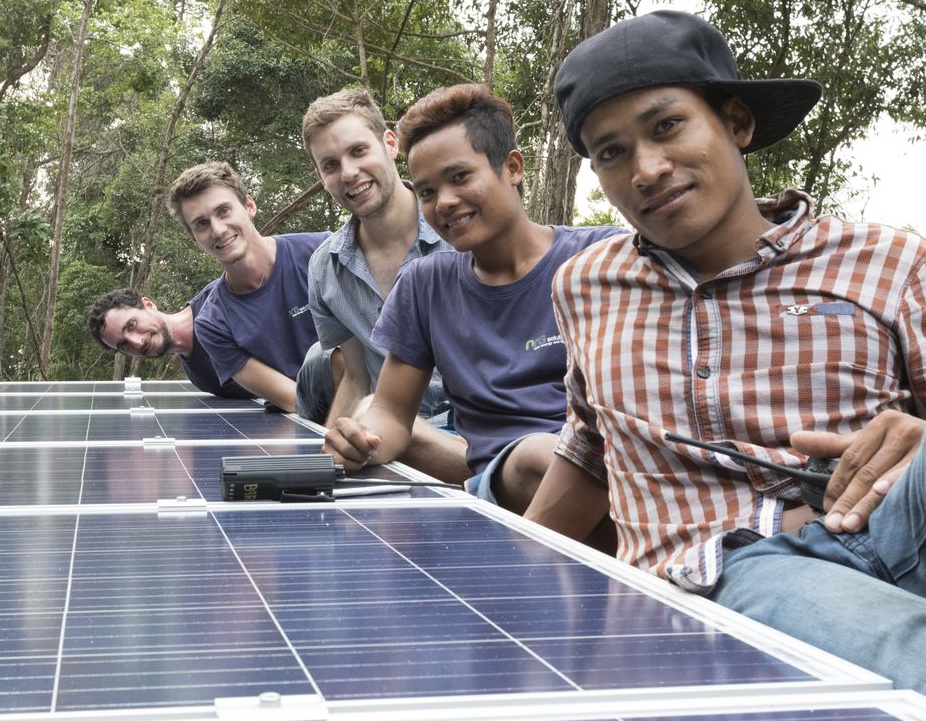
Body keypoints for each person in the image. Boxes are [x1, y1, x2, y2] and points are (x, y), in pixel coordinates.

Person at [528, 9, 926, 721]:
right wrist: (501, 576)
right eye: (611, 152)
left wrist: (925, 435)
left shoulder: (897, 263)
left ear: (736, 123)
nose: (646, 169)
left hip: (906, 530)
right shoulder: (585, 285)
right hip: (739, 569)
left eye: (667, 126)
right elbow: (593, 446)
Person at [324, 84, 623, 518]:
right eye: (427, 192)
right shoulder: (424, 284)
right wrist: (361, 439)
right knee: (539, 456)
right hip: (508, 475)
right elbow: (390, 410)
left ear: (513, 167)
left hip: (617, 467)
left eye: (460, 177)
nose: (444, 202)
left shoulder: (601, 258)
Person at [302, 88, 469, 482]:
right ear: (321, 176)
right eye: (331, 165)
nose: (348, 173)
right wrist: (331, 451)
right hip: (390, 438)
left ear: (390, 144)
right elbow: (355, 376)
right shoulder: (325, 269)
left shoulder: (460, 232)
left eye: (358, 151)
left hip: (472, 431)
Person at [170, 161, 333, 419]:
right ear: (193, 238)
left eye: (224, 211)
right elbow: (295, 399)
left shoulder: (323, 252)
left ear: (249, 206)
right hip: (320, 423)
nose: (218, 230)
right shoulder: (213, 326)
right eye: (201, 224)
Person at [86, 284, 252, 399]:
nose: (137, 343)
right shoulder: (200, 378)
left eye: (131, 325)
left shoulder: (222, 299)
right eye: (124, 345)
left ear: (149, 305)